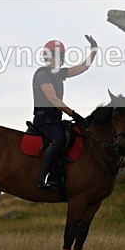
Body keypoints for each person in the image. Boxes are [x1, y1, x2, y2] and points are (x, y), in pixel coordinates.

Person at [32, 35, 98, 189]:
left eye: (56, 56)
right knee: (59, 139)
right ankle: (43, 178)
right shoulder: (42, 74)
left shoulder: (59, 73)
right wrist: (74, 114)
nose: (53, 59)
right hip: (44, 119)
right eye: (50, 55)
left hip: (55, 118)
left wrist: (94, 50)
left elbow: (83, 67)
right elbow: (52, 99)